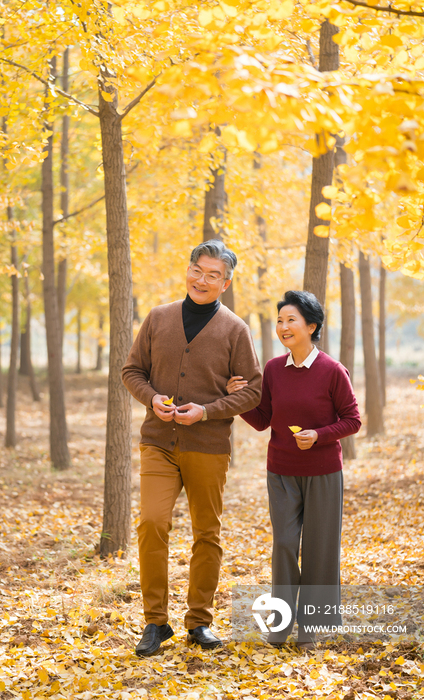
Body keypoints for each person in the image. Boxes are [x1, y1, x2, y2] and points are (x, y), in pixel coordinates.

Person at [122, 239, 262, 656]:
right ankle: (155, 622)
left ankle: (199, 621)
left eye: (213, 275)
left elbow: (252, 390)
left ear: (226, 282)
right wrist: (152, 399)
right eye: (197, 270)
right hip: (159, 443)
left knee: (207, 533)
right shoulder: (158, 318)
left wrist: (207, 411)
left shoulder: (236, 330)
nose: (202, 279)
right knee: (151, 523)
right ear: (188, 270)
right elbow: (132, 370)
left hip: (208, 446)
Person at [227, 290, 361, 649]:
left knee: (319, 548)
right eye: (281, 321)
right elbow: (262, 420)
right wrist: (239, 398)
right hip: (282, 471)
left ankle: (311, 628)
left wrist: (318, 435)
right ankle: (281, 623)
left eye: (291, 320)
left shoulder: (333, 371)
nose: (283, 327)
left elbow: (353, 420)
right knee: (285, 544)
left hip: (323, 473)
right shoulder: (272, 369)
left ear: (311, 326)